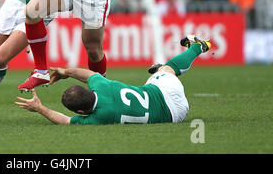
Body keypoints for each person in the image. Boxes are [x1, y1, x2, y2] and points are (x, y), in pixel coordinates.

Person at [15, 35, 212, 125]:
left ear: (82, 112)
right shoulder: (101, 85)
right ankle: (197, 46)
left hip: (175, 116)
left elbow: (66, 120)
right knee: (170, 69)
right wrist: (65, 72)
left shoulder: (99, 118)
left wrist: (40, 108)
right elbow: (88, 74)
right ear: (89, 91)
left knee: (161, 74)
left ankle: (163, 68)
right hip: (165, 93)